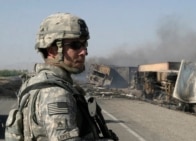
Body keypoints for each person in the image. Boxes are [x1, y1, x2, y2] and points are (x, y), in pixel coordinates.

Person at [12, 12, 118, 141]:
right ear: (52, 50)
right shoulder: (56, 94)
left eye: (84, 44)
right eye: (76, 45)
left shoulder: (33, 83)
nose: (84, 51)